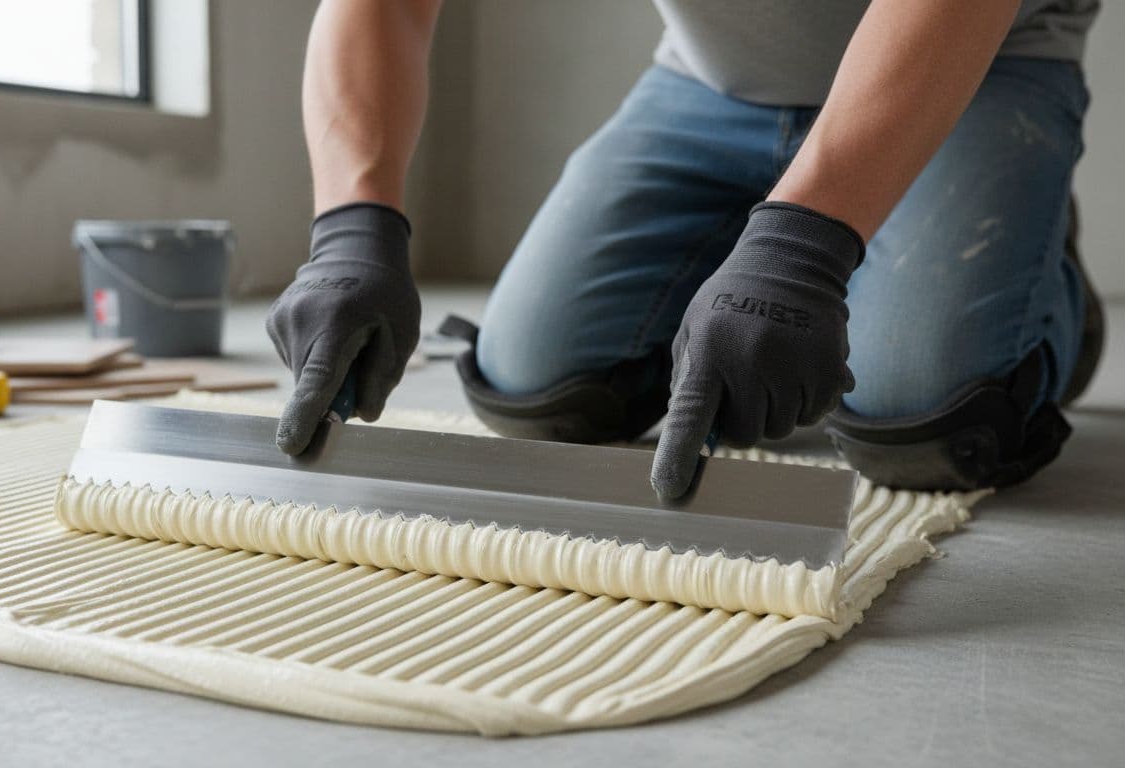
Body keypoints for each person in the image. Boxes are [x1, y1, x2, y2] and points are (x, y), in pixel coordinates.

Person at [266, 0, 1103, 497]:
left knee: (921, 415)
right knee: (538, 391)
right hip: (710, 84)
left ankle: (1038, 290)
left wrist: (799, 252)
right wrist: (352, 228)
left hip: (977, 64)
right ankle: (748, 249)